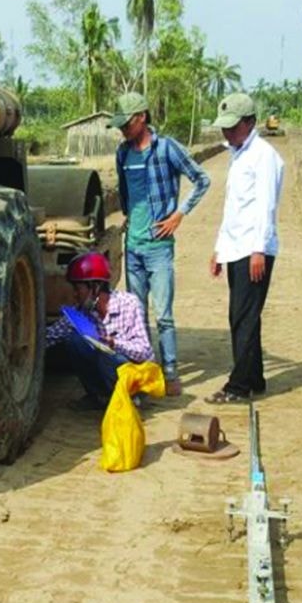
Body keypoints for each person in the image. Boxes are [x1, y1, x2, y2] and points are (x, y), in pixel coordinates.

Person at [111, 92, 211, 395]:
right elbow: (125, 193)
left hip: (158, 247)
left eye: (126, 124)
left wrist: (179, 214)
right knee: (136, 315)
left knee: (164, 315)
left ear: (141, 117)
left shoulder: (167, 149)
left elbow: (202, 179)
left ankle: (170, 371)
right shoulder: (122, 153)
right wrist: (129, 219)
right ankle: (145, 371)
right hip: (134, 247)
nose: (123, 130)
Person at [207, 92, 284, 405]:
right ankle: (255, 378)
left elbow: (266, 206)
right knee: (243, 316)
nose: (227, 132)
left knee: (244, 317)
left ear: (250, 123)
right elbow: (233, 209)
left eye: (233, 126)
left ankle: (238, 386)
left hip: (253, 249)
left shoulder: (264, 157)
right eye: (225, 127)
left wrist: (258, 251)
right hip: (236, 247)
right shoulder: (237, 153)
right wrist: (219, 250)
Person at [46, 252, 153, 408]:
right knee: (74, 340)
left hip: (136, 373)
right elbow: (50, 336)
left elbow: (144, 351)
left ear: (95, 288)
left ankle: (129, 397)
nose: (74, 295)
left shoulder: (129, 303)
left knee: (105, 355)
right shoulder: (80, 313)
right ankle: (98, 396)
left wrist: (114, 343)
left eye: (78, 289)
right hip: (109, 366)